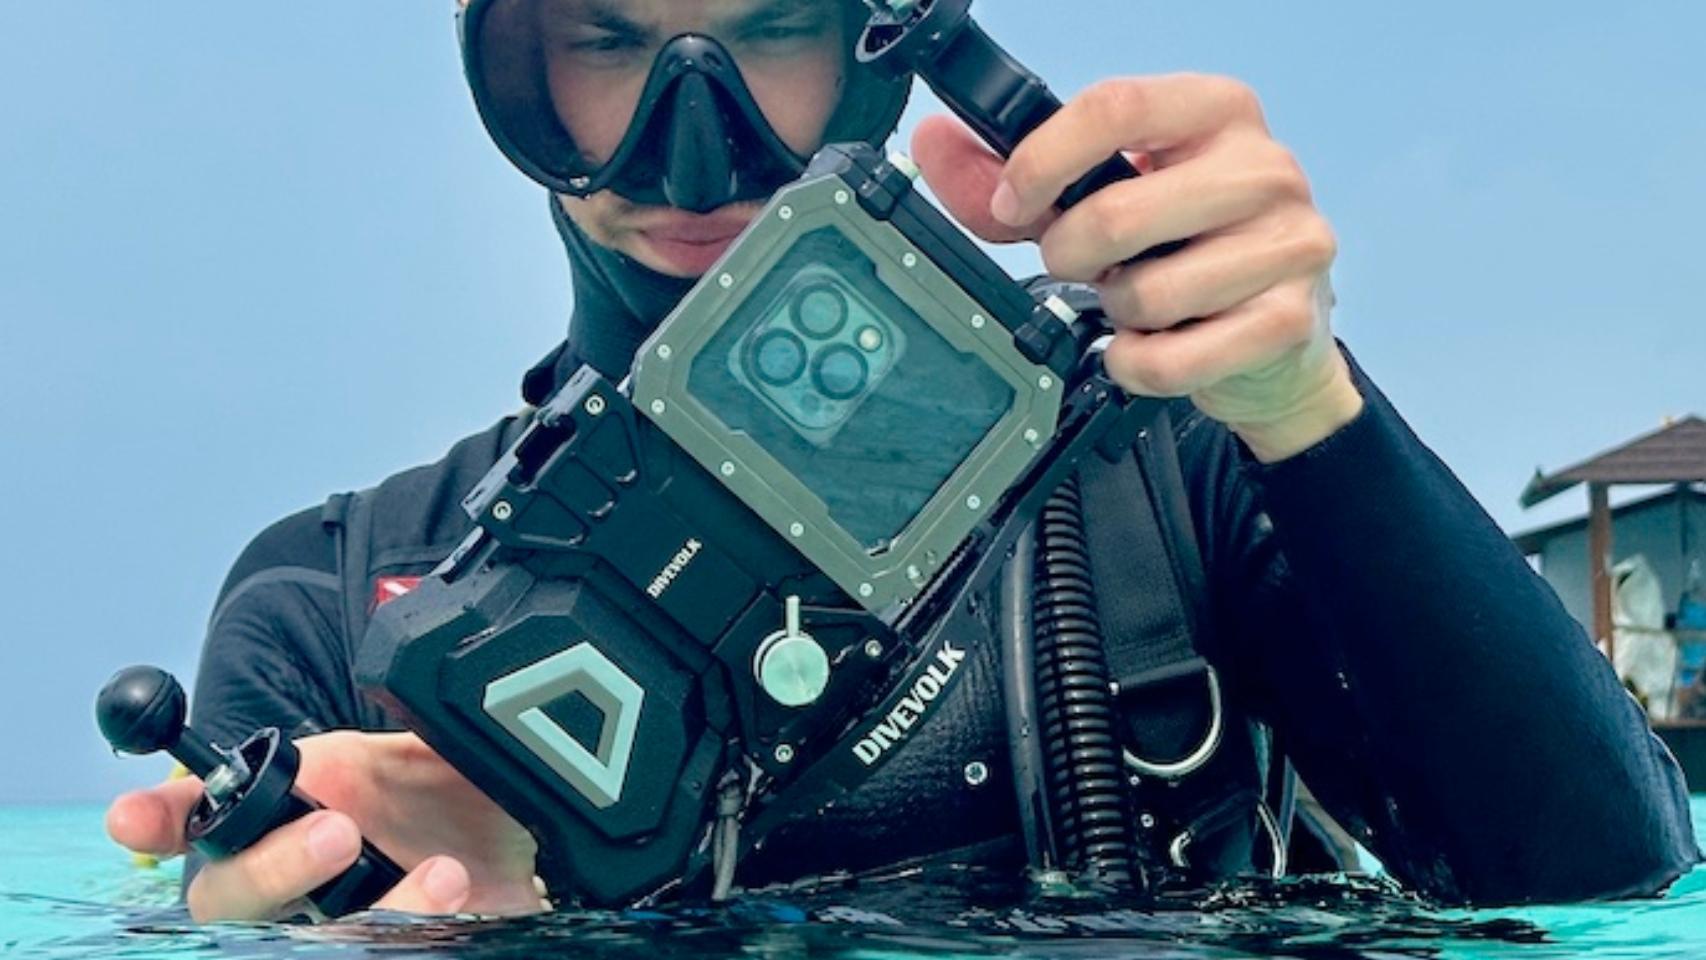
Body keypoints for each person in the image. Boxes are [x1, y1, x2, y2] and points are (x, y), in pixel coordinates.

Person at [106, 0, 1700, 922]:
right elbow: (222, 906)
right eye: (604, 38)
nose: (694, 145)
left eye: (774, 28)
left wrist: (1303, 407)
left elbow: (1606, 887)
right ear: (515, 81)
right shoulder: (332, 607)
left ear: (884, 45)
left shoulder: (1172, 467)